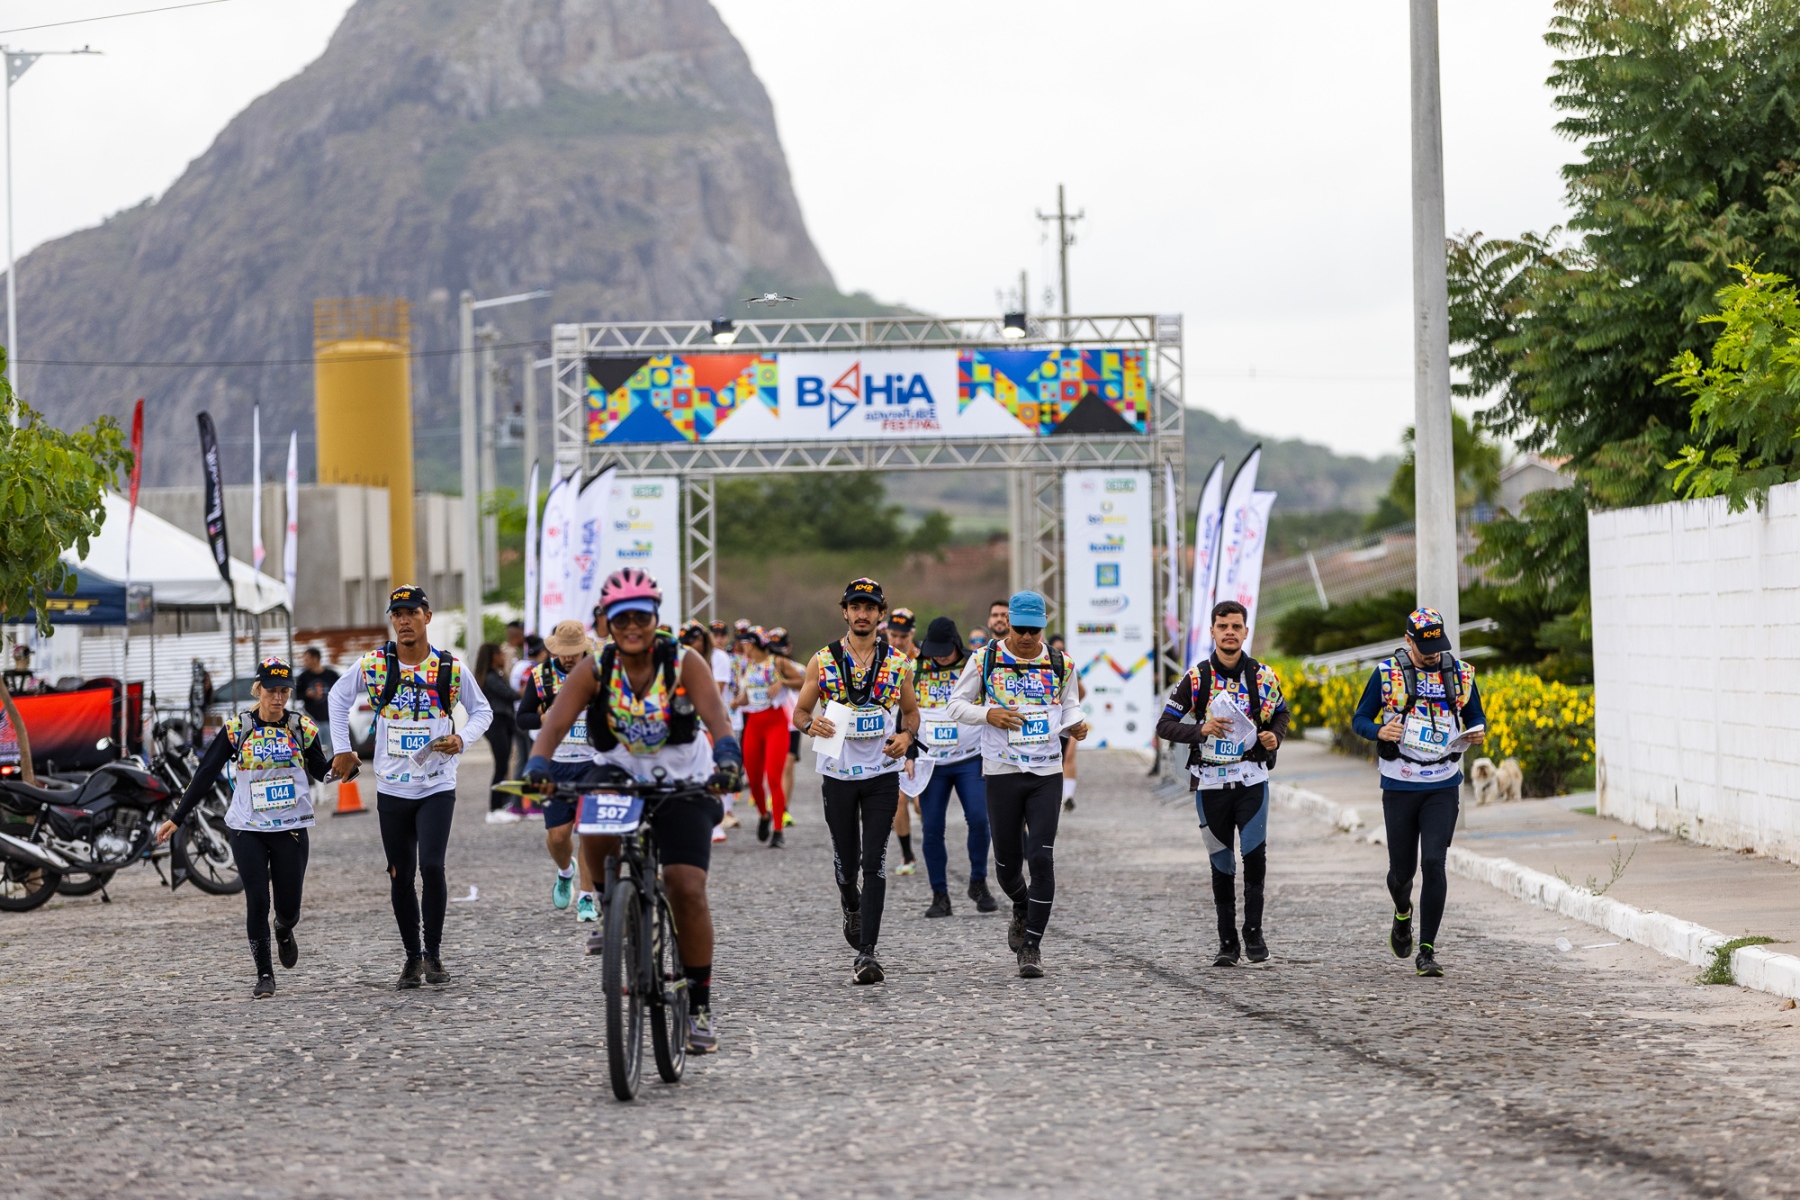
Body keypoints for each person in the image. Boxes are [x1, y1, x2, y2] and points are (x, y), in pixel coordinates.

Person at [523, 567, 743, 1054]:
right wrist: (538, 763)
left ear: (655, 618)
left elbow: (718, 721)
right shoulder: (595, 668)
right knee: (593, 815)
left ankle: (699, 1006)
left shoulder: (684, 662)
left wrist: (728, 760)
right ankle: (609, 905)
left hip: (683, 777)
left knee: (686, 886)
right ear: (607, 622)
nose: (632, 627)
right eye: (621, 619)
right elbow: (554, 724)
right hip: (619, 772)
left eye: (641, 617)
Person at [328, 586, 492, 989]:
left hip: (437, 784)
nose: (403, 620)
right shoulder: (374, 665)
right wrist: (343, 749)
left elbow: (482, 710)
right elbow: (337, 697)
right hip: (392, 788)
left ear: (427, 617)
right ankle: (412, 957)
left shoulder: (450, 668)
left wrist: (462, 738)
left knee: (432, 867)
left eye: (411, 612)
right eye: (397, 614)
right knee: (400, 875)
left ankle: (433, 954)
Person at [157, 657, 331, 999]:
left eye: (284, 691)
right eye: (271, 690)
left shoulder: (301, 728)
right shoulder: (238, 728)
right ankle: (264, 974)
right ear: (258, 689)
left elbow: (320, 770)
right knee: (257, 900)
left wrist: (343, 768)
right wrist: (177, 817)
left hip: (290, 828)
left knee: (289, 908)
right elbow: (205, 773)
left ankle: (284, 928)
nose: (278, 698)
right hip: (246, 827)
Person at [945, 591, 1087, 979]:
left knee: (1041, 857)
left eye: (1033, 631)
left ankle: (1031, 946)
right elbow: (955, 705)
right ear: (1007, 622)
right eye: (1019, 629)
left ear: (1043, 627)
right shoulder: (985, 659)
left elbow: (1070, 705)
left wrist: (1077, 724)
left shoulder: (1061, 663)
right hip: (1002, 771)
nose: (1026, 637)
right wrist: (988, 714)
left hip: (1046, 772)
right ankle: (1021, 904)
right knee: (1007, 869)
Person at [790, 578, 921, 985]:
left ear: (881, 614)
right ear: (845, 611)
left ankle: (868, 953)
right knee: (847, 864)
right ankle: (850, 902)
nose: (862, 614)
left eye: (870, 607)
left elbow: (911, 713)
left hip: (882, 773)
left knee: (874, 862)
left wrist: (906, 737)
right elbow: (799, 713)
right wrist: (810, 725)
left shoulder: (898, 662)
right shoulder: (822, 660)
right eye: (855, 607)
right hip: (839, 774)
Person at [1351, 607, 1486, 978]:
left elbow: (1475, 714)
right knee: (1402, 873)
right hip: (1400, 782)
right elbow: (1359, 719)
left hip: (1443, 781)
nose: (1432, 654)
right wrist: (1380, 731)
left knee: (1434, 862)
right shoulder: (1386, 674)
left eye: (1438, 646)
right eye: (1425, 648)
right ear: (1407, 640)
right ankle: (1402, 913)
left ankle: (1426, 951)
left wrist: (1477, 729)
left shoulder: (1460, 674)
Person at [1155, 601, 1290, 967]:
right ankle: (1227, 942)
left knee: (1254, 856)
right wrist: (1201, 730)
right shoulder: (1196, 678)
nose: (1229, 632)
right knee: (1222, 862)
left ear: (1245, 631)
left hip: (1251, 779)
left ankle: (1254, 932)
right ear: (1213, 632)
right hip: (1211, 783)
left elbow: (1281, 713)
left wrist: (1275, 736)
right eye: (1222, 626)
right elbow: (1164, 725)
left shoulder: (1263, 676)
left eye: (1236, 626)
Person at [517, 620, 601, 923]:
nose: (567, 657)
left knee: (589, 832)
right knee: (558, 836)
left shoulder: (598, 673)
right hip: (555, 763)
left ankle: (587, 898)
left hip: (593, 763)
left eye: (573, 652)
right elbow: (522, 718)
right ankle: (566, 871)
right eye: (563, 652)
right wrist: (544, 718)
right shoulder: (541, 676)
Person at [911, 616, 995, 918]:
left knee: (979, 819)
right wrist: (908, 753)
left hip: (970, 758)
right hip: (932, 761)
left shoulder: (975, 664)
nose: (940, 657)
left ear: (956, 644)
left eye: (945, 651)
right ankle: (940, 894)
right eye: (934, 651)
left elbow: (991, 706)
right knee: (932, 827)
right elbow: (903, 711)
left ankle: (978, 881)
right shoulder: (915, 668)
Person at [732, 626, 794, 848]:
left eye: (745, 643)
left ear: (755, 643)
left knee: (774, 778)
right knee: (753, 779)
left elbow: (804, 679)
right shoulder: (746, 665)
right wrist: (737, 702)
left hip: (775, 723)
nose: (742, 647)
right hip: (753, 724)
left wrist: (783, 682)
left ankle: (778, 830)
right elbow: (748, 697)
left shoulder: (777, 662)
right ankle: (763, 815)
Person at [886, 608, 920, 875]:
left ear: (913, 634)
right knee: (898, 800)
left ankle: (933, 844)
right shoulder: (880, 658)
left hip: (920, 734)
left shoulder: (923, 660)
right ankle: (907, 854)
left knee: (920, 802)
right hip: (892, 737)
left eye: (903, 636)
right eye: (893, 635)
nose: (897, 641)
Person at [474, 642, 523, 825]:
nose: (503, 657)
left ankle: (501, 805)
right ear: (493, 656)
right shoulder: (490, 677)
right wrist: (524, 690)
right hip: (497, 724)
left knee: (503, 765)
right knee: (501, 766)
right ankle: (495, 808)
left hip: (503, 723)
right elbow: (510, 695)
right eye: (501, 654)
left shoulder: (496, 675)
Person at [1047, 634, 1087, 812]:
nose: (1060, 651)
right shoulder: (1042, 665)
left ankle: (1068, 796)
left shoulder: (1068, 665)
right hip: (1050, 721)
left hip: (1069, 719)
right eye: (1057, 648)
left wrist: (1071, 706)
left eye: (1062, 648)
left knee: (1069, 756)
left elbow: (1082, 690)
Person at [295, 648, 339, 755]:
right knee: (316, 750)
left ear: (315, 659)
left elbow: (341, 692)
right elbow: (296, 695)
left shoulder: (331, 675)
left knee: (330, 750)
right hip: (312, 720)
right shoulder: (303, 677)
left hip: (330, 718)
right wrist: (306, 694)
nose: (305, 662)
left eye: (307, 659)